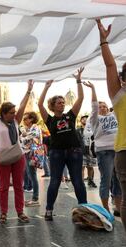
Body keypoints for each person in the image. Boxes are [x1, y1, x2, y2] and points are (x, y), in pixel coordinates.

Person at [37, 69, 87, 221]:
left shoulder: (70, 115)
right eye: (59, 102)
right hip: (57, 152)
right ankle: (49, 210)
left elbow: (81, 98)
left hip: (74, 151)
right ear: (53, 106)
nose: (62, 104)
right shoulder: (50, 119)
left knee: (77, 180)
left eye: (63, 102)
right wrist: (46, 87)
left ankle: (84, 209)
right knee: (55, 181)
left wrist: (78, 80)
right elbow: (39, 104)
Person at [97, 19, 126, 237]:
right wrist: (104, 40)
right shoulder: (119, 96)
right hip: (125, 152)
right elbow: (111, 66)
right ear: (123, 80)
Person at [0, 80, 33, 224]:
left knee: (19, 185)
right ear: (4, 113)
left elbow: (23, 106)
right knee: (4, 187)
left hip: (18, 157)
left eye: (14, 112)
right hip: (1, 158)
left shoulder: (15, 121)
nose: (15, 114)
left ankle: (20, 212)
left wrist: (28, 90)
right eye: (11, 113)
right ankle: (3, 213)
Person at [84, 81, 121, 216]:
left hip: (118, 150)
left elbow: (119, 101)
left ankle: (118, 207)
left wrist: (122, 86)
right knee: (106, 179)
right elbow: (94, 105)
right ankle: (105, 210)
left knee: (118, 180)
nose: (103, 108)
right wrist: (93, 89)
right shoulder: (95, 119)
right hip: (104, 152)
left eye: (104, 106)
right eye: (100, 106)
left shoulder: (114, 115)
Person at [21, 112, 44, 207]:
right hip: (28, 153)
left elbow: (26, 139)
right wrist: (24, 135)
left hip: (32, 154)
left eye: (25, 118)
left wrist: (24, 135)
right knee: (31, 175)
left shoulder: (35, 128)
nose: (24, 120)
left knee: (33, 176)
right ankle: (34, 198)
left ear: (31, 119)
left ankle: (35, 199)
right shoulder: (30, 128)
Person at [77, 115, 97, 188]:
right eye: (83, 119)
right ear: (81, 121)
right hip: (82, 152)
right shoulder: (78, 130)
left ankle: (90, 180)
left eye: (86, 119)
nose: (85, 120)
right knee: (82, 167)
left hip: (91, 151)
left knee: (90, 167)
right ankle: (81, 183)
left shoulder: (93, 129)